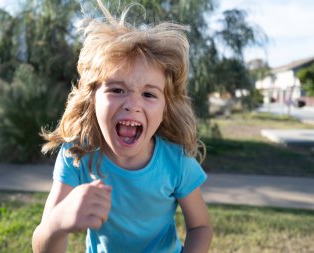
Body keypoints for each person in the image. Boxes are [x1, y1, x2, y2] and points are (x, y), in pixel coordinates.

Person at [32, 1, 213, 252]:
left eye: (149, 94)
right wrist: (57, 222)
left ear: (165, 107)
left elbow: (200, 227)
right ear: (92, 98)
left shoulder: (176, 163)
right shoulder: (77, 156)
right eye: (117, 90)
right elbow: (42, 244)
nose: (132, 105)